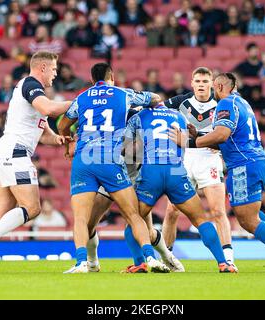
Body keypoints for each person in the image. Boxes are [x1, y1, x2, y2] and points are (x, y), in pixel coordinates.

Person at [170, 72, 265, 274]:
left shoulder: (225, 104)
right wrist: (199, 135)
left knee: (246, 220)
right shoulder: (243, 103)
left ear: (218, 87)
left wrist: (189, 142)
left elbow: (222, 134)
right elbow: (229, 140)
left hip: (244, 165)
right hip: (258, 161)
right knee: (255, 213)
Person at [58, 62, 169, 274]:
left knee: (81, 218)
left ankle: (82, 262)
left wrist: (69, 140)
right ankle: (151, 258)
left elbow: (62, 125)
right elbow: (155, 98)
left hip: (84, 160)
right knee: (132, 214)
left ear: (92, 80)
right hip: (110, 158)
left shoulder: (81, 98)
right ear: (112, 77)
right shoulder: (123, 94)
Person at [0, 51, 72, 273]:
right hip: (15, 152)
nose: (56, 73)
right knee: (32, 208)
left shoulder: (35, 93)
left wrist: (60, 139)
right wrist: (78, 102)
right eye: (53, 69)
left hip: (6, 151)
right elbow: (49, 109)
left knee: (3, 209)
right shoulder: (30, 85)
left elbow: (44, 134)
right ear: (42, 67)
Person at [123, 103, 237, 273]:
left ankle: (140, 263)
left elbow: (128, 149)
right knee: (201, 220)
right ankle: (223, 263)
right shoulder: (179, 116)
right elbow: (184, 144)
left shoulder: (139, 116)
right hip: (176, 172)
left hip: (151, 172)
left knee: (134, 220)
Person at [162, 67, 236, 267]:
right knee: (171, 211)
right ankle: (167, 258)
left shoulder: (221, 105)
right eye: (198, 81)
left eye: (205, 81)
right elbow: (156, 110)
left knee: (218, 211)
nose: (201, 85)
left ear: (212, 84)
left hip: (209, 160)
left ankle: (228, 258)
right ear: (192, 83)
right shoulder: (180, 102)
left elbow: (224, 139)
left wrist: (197, 137)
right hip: (184, 160)